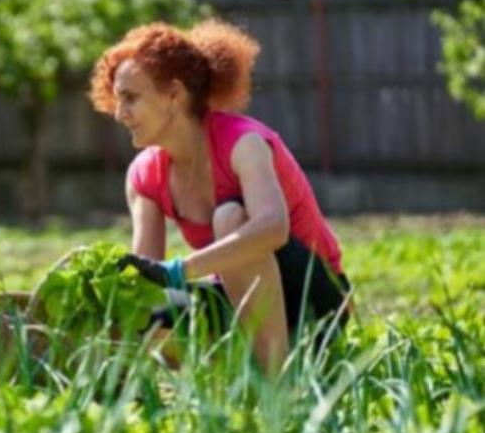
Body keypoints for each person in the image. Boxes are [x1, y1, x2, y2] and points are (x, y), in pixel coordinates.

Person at [89, 20, 351, 375]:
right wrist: (103, 298)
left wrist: (181, 271)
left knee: (230, 218)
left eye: (131, 98)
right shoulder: (143, 175)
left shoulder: (243, 143)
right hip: (238, 297)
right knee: (146, 311)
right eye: (118, 101)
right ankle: (222, 377)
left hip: (315, 299)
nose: (120, 114)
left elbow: (273, 228)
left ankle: (281, 387)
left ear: (174, 95)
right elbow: (148, 279)